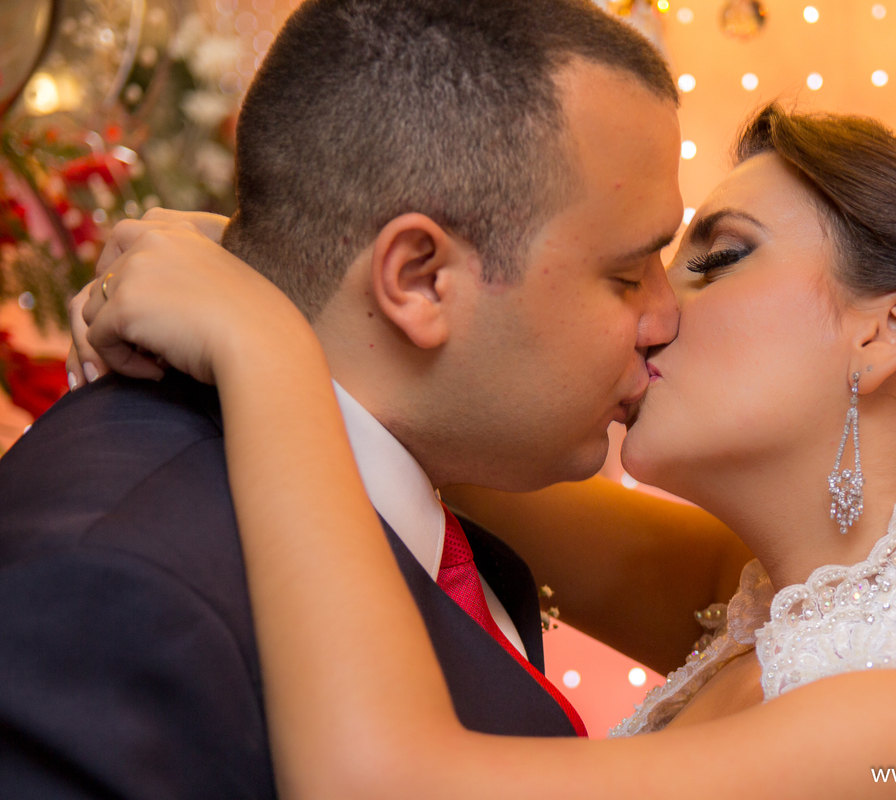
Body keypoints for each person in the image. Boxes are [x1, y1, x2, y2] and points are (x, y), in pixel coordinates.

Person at [73, 100, 896, 797]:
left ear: (886, 330)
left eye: (716, 256)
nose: (650, 312)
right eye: (639, 271)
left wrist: (255, 334)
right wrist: (279, 262)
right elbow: (427, 413)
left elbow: (384, 785)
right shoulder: (778, 599)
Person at [0, 1, 759, 796]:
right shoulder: (111, 584)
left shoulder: (426, 473)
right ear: (419, 279)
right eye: (628, 272)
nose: (667, 316)